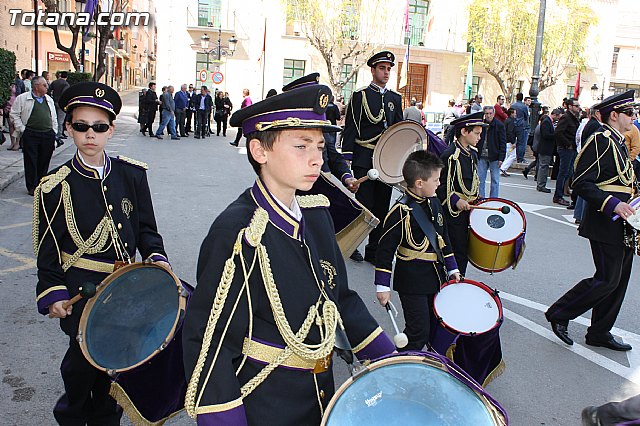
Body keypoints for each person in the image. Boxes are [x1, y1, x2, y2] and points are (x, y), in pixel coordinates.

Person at [182, 80, 395, 425]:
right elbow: (210, 343)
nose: (316, 158)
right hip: (266, 403)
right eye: (301, 145)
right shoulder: (238, 233)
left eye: (321, 146)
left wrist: (395, 360)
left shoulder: (316, 214)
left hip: (321, 396)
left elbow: (339, 298)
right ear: (259, 151)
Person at [33, 81, 169, 425]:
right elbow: (48, 254)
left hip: (126, 291)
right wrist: (54, 296)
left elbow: (147, 231)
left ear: (111, 130)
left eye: (99, 127)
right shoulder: (55, 184)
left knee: (115, 375)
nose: (89, 135)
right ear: (68, 128)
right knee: (80, 371)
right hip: (82, 294)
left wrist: (156, 259)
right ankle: (71, 416)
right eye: (80, 126)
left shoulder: (132, 175)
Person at [545, 90, 638, 351]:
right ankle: (560, 313)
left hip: (624, 221)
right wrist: (613, 204)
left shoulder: (618, 141)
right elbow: (581, 182)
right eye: (629, 113)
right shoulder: (601, 140)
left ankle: (599, 331)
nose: (633, 117)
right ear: (614, 115)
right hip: (605, 220)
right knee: (608, 278)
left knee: (619, 280)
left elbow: (622, 181)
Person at [375, 150, 461, 350]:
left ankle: (426, 367)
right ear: (420, 183)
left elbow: (443, 238)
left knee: (436, 328)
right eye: (436, 180)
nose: (439, 183)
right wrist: (382, 286)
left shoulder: (435, 203)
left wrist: (452, 268)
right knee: (417, 332)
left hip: (435, 277)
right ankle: (401, 367)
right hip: (411, 281)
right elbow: (384, 251)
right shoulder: (400, 212)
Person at [342, 50, 403, 262]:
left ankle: (374, 250)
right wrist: (347, 159)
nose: (386, 73)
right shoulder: (361, 96)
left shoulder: (395, 98)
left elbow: (399, 133)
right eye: (382, 68)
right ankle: (353, 244)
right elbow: (351, 128)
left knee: (381, 207)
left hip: (385, 160)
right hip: (365, 156)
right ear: (373, 70)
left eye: (388, 69)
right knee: (363, 205)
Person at [436, 111, 486, 275]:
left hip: (469, 210)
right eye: (476, 133)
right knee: (456, 251)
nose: (479, 137)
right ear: (464, 131)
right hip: (454, 214)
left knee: (464, 251)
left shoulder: (471, 154)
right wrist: (456, 200)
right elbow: (440, 186)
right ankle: (452, 282)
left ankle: (459, 280)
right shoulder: (450, 156)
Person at [9, 76, 57, 195]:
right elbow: (14, 114)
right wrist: (22, 129)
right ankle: (32, 186)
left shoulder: (48, 99)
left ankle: (41, 183)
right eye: (44, 85)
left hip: (47, 134)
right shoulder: (23, 98)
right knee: (31, 160)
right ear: (36, 87)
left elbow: (53, 117)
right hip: (30, 133)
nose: (47, 87)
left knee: (44, 159)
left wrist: (54, 132)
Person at [477, 105, 506, 198]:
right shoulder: (481, 125)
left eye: (490, 113)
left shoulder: (499, 125)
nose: (488, 115)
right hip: (482, 155)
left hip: (494, 156)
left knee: (495, 180)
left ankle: (493, 199)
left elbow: (502, 142)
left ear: (493, 114)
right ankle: (481, 198)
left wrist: (501, 158)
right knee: (480, 179)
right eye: (486, 114)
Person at [536, 108, 562, 193]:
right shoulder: (547, 121)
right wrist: (555, 135)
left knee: (543, 167)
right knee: (543, 167)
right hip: (545, 148)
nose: (557, 119)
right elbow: (545, 134)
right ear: (554, 115)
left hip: (545, 148)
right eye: (557, 117)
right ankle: (541, 185)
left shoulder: (548, 121)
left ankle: (541, 184)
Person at [48, 71, 70, 145]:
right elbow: (66, 94)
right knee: (60, 119)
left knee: (54, 117)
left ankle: (54, 131)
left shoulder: (55, 82)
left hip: (54, 101)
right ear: (66, 77)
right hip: (61, 103)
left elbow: (49, 90)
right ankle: (59, 133)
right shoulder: (66, 84)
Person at [512, 93, 530, 163]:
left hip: (513, 125)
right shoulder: (524, 107)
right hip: (521, 126)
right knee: (521, 142)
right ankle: (520, 158)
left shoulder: (513, 105)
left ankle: (512, 156)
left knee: (513, 142)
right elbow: (526, 116)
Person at [500, 108, 518, 177]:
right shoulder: (511, 121)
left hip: (506, 140)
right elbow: (510, 132)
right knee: (512, 156)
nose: (515, 114)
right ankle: (503, 168)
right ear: (511, 114)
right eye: (515, 113)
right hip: (510, 141)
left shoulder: (507, 120)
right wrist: (513, 142)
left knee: (507, 155)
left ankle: (503, 169)